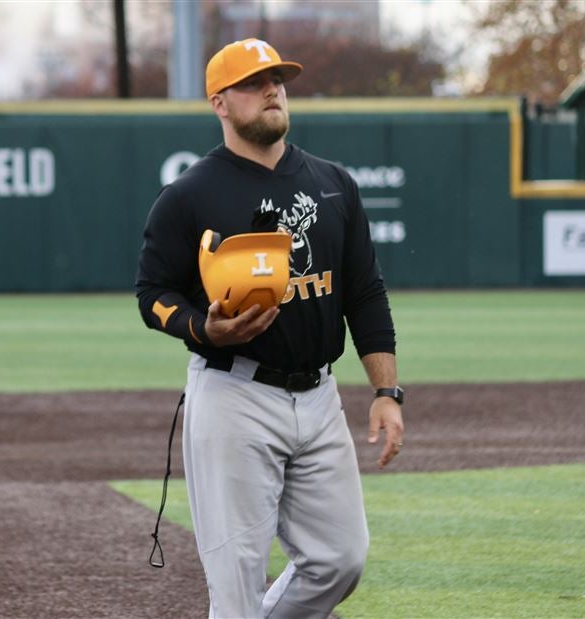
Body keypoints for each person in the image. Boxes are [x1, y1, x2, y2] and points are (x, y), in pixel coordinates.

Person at [135, 39, 405, 618]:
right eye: (254, 82)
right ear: (220, 103)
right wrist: (202, 329)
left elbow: (365, 293)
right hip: (237, 395)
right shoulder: (189, 195)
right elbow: (152, 295)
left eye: (277, 79)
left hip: (320, 395)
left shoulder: (333, 184)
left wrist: (386, 392)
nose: (271, 90)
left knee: (340, 560)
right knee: (236, 586)